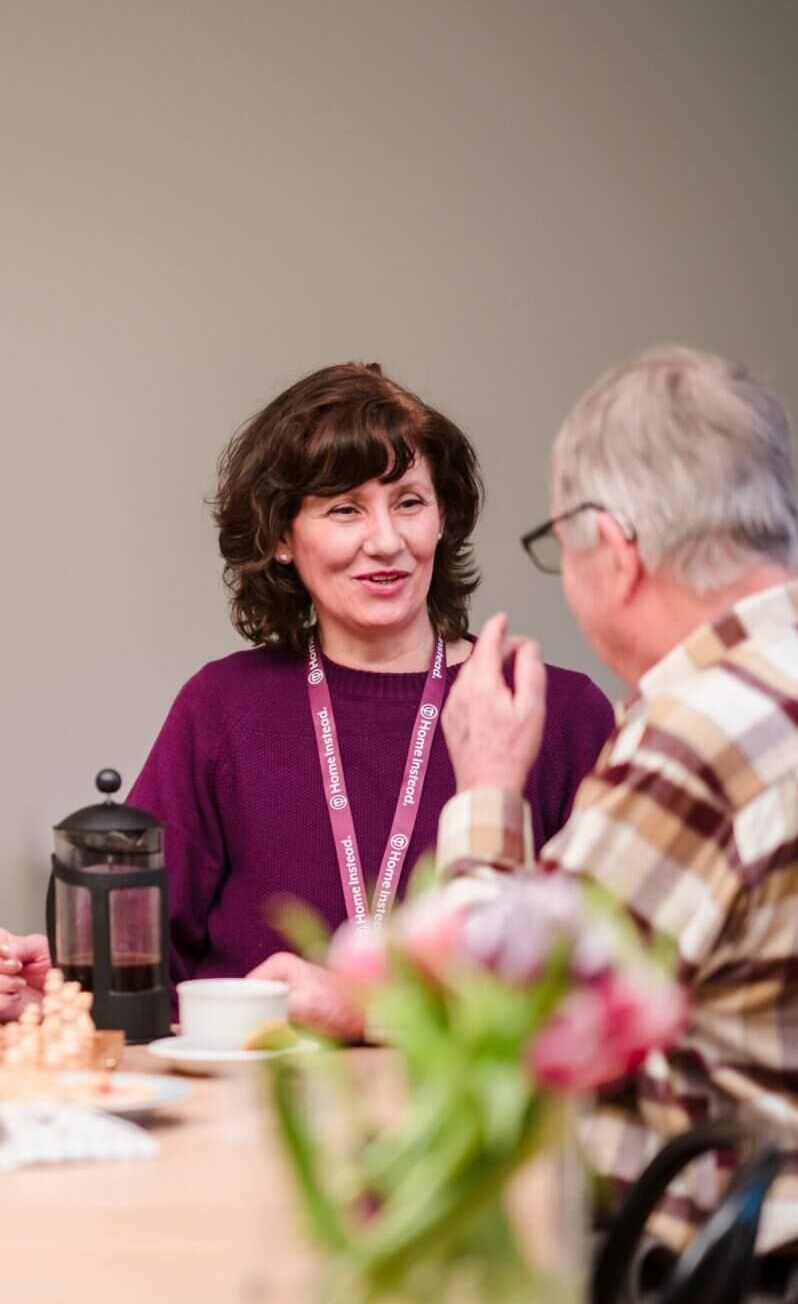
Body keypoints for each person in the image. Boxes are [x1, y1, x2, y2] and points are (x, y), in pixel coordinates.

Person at [430, 345, 798, 1304]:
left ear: (614, 546)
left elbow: (487, 1032)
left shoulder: (704, 734)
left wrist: (488, 789)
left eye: (560, 542)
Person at [0, 363, 613, 1030]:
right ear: (282, 539)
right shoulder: (222, 709)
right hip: (238, 1118)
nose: (386, 540)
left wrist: (360, 1008)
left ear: (443, 518)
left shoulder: (550, 711)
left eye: (409, 501)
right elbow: (142, 979)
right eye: (345, 508)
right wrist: (58, 1000)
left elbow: (610, 991)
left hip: (474, 1125)